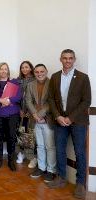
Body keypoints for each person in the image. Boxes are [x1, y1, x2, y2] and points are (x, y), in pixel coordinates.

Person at [47, 49, 91, 199]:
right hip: (59, 120)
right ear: (60, 59)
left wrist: (71, 118)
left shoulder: (83, 78)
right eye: (65, 58)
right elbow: (51, 99)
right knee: (59, 149)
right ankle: (60, 178)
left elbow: (86, 101)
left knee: (80, 152)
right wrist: (58, 116)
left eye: (70, 58)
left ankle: (80, 183)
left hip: (78, 121)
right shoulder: (54, 77)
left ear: (74, 60)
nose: (67, 61)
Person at [26, 64, 56, 182]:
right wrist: (34, 114)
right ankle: (41, 167)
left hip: (47, 119)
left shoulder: (52, 84)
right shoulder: (30, 85)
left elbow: (52, 102)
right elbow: (28, 101)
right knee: (40, 146)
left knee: (50, 147)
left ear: (46, 71)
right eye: (37, 72)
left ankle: (51, 170)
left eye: (42, 71)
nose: (39, 73)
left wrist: (41, 114)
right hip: (36, 120)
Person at [0, 62, 21, 171]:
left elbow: (18, 96)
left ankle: (11, 160)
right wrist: (0, 100)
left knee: (11, 137)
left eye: (5, 69)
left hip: (12, 114)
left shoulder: (14, 82)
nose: (3, 71)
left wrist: (8, 100)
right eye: (1, 69)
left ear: (8, 71)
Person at [15, 61, 37, 168]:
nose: (24, 69)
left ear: (31, 68)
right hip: (20, 112)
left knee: (29, 135)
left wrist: (29, 111)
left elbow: (34, 99)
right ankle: (21, 153)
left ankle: (32, 157)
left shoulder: (35, 80)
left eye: (26, 67)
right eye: (22, 67)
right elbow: (16, 97)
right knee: (20, 133)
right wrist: (20, 110)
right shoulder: (18, 81)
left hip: (31, 113)